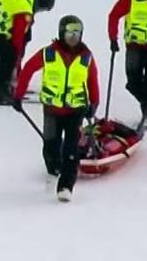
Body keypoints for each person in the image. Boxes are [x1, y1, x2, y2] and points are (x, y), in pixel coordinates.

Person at [13, 15, 101, 202]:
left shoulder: (86, 56)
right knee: (50, 144)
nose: (73, 36)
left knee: (71, 148)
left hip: (75, 110)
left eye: (77, 32)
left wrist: (94, 102)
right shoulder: (49, 53)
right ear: (61, 32)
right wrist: (18, 95)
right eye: (69, 31)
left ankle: (66, 185)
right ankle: (53, 170)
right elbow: (28, 69)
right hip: (52, 109)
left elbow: (92, 79)